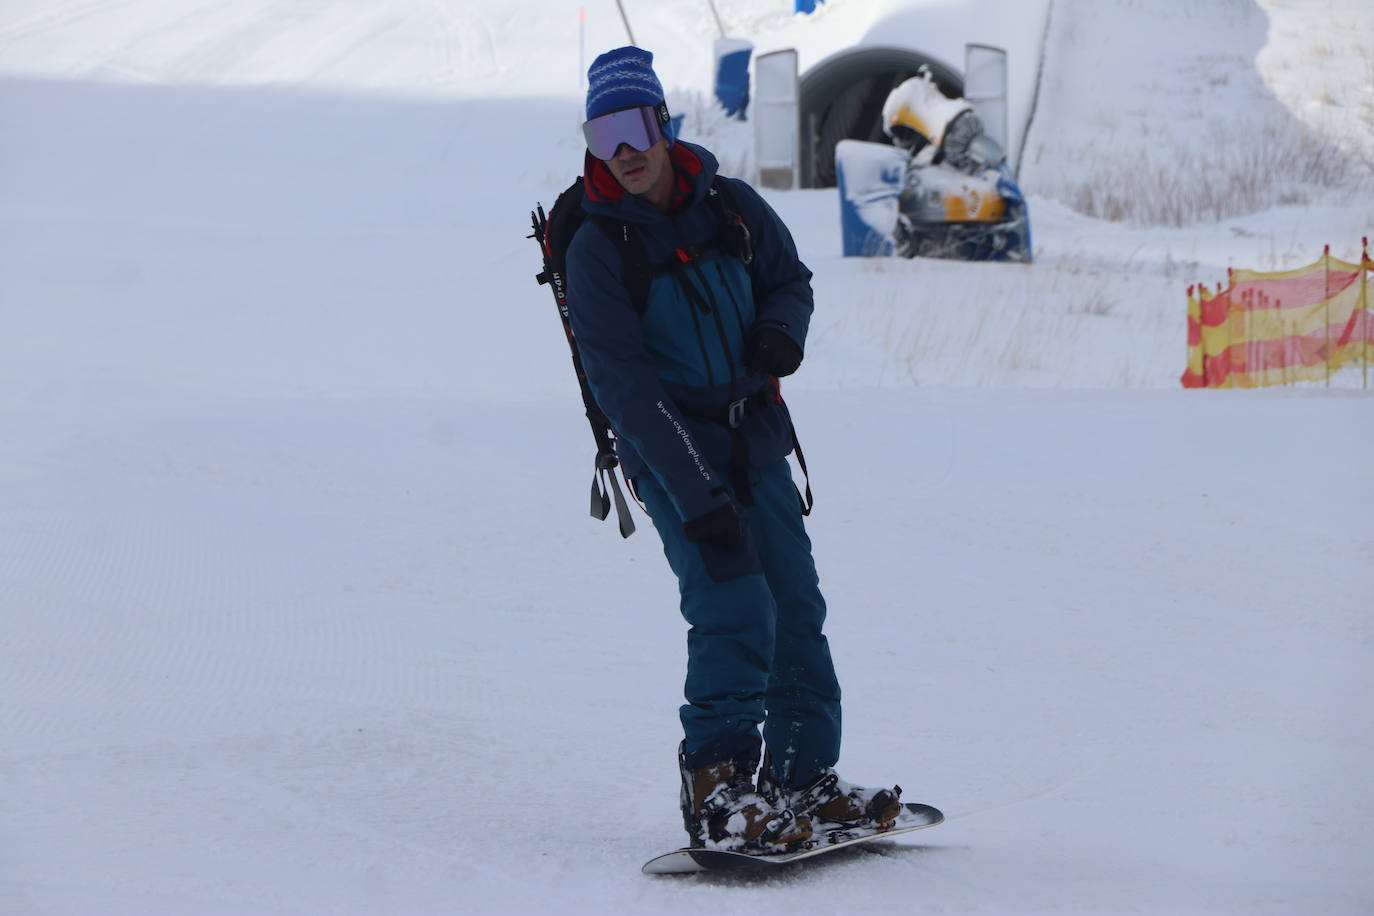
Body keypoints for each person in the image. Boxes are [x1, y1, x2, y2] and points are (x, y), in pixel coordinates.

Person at [565, 46, 901, 852]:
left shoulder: (733, 206)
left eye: (635, 125)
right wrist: (699, 494)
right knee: (732, 608)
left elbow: (791, 279)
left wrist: (781, 332)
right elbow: (624, 386)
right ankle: (720, 796)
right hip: (670, 445)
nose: (624, 150)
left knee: (795, 603)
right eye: (603, 132)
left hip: (755, 433)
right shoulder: (596, 246)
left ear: (663, 124)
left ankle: (802, 781)